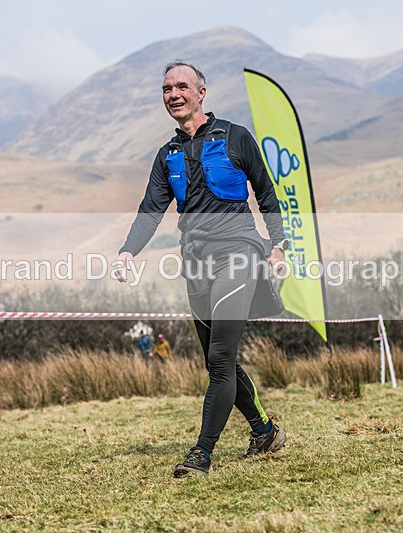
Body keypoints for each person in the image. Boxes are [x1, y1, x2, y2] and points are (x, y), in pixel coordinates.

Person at [112, 61, 287, 477]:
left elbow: (266, 193)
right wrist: (127, 252)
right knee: (215, 359)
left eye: (182, 86)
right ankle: (264, 431)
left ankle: (201, 453)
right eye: (166, 88)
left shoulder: (235, 137)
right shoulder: (167, 155)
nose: (173, 94)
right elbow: (151, 210)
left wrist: (278, 245)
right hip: (196, 262)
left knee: (222, 358)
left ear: (201, 93)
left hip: (238, 254)